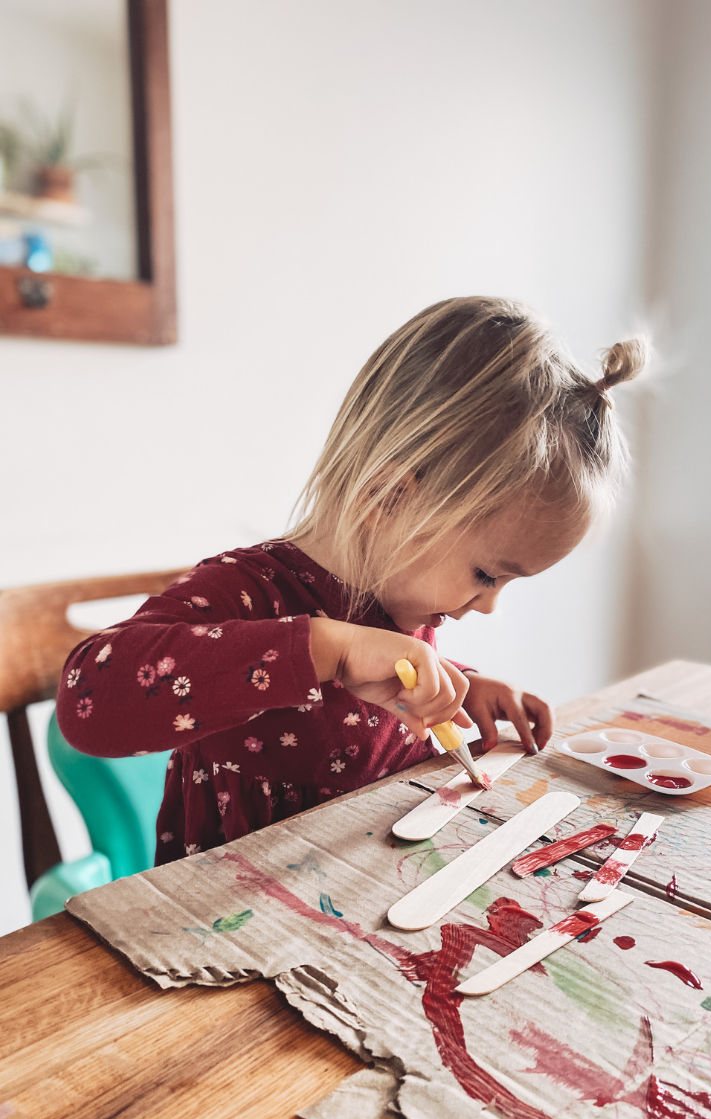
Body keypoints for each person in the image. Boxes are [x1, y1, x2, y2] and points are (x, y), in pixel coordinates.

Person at [57, 296, 648, 864]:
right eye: (487, 575)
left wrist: (455, 685)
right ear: (389, 499)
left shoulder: (397, 600)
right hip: (235, 921)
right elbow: (87, 701)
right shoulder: (246, 591)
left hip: (362, 888)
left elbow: (369, 709)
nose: (488, 606)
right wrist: (326, 648)